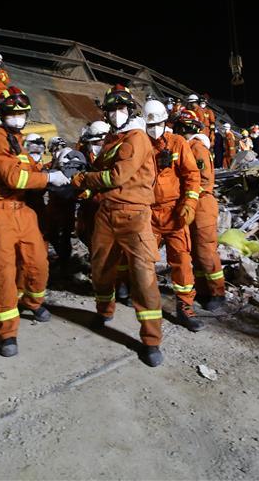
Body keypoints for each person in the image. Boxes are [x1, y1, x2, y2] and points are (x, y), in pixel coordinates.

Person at [70, 85, 164, 367]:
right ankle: (104, 310)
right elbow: (98, 169)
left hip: (134, 216)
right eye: (111, 110)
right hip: (107, 213)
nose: (115, 114)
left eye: (120, 108)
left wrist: (83, 180)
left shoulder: (136, 138)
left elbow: (116, 177)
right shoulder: (113, 140)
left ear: (130, 110)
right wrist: (82, 178)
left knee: (143, 278)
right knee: (101, 268)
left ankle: (151, 341)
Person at [0, 86, 70, 357]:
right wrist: (49, 178)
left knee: (38, 262)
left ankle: (32, 301)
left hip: (22, 210)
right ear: (1, 114)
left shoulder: (15, 140)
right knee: (4, 272)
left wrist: (54, 168)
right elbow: (14, 178)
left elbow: (30, 168)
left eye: (22, 113)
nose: (18, 117)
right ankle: (7, 333)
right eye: (12, 113)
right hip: (0, 212)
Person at [142, 99, 203, 331]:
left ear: (165, 122)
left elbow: (192, 176)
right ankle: (146, 300)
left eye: (158, 124)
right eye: (150, 125)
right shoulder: (141, 144)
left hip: (174, 212)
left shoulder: (178, 143)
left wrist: (190, 203)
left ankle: (185, 305)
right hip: (149, 213)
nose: (155, 129)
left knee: (182, 260)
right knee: (144, 259)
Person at [174, 110, 227, 312]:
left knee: (206, 251)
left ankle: (218, 293)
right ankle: (203, 290)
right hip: (192, 203)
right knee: (195, 251)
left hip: (202, 204)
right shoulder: (188, 146)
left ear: (183, 128)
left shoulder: (197, 148)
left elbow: (203, 179)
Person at [74, 120, 110, 250]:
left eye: (98, 142)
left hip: (107, 205)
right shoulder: (85, 153)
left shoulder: (116, 154)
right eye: (92, 143)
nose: (95, 146)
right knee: (87, 234)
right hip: (90, 206)